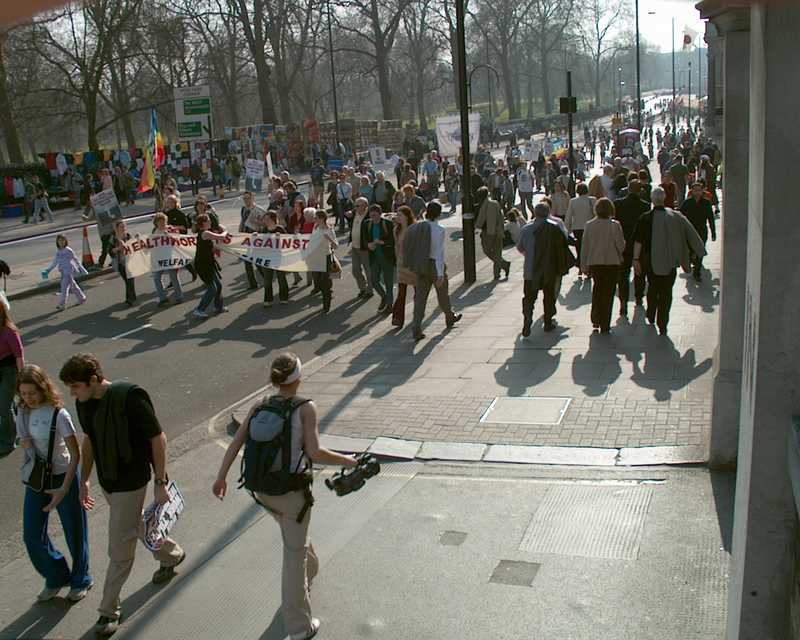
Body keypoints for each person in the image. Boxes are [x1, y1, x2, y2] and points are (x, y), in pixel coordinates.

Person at [212, 352, 357, 640]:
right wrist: (347, 461)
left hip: (262, 491)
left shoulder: (258, 405)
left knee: (296, 540)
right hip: (292, 493)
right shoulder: (305, 408)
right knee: (293, 559)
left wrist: (220, 477)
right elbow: (315, 452)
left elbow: (236, 443)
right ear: (299, 378)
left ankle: (309, 571)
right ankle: (300, 628)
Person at [59, 353, 185, 637]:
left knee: (119, 549)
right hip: (109, 481)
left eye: (75, 386)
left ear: (93, 379)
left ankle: (107, 612)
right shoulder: (84, 403)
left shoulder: (131, 397)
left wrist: (160, 481)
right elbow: (90, 440)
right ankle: (172, 555)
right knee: (135, 527)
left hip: (132, 481)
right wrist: (85, 479)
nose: (72, 393)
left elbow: (158, 437)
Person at [16, 364, 92, 603]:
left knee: (75, 532)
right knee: (31, 535)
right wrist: (24, 442)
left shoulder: (59, 414)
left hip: (63, 475)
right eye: (23, 393)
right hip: (38, 478)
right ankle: (56, 575)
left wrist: (67, 487)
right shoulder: (21, 410)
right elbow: (23, 439)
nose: (28, 398)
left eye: (32, 393)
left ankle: (81, 579)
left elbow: (75, 453)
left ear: (43, 388)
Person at [632, 187, 706, 336]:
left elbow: (638, 241)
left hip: (650, 261)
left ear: (653, 200)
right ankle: (663, 322)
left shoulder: (645, 218)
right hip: (670, 261)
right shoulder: (676, 216)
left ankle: (651, 313)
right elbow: (691, 232)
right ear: (664, 198)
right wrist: (699, 251)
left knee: (653, 287)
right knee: (666, 292)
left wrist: (635, 259)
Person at [404, 201, 461, 341]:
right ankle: (449, 316)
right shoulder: (439, 229)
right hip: (434, 265)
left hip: (421, 265)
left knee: (420, 299)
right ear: (439, 213)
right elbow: (438, 253)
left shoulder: (417, 227)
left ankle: (416, 328)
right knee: (443, 294)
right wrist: (440, 273)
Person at [516, 202, 574, 336]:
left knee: (529, 298)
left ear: (535, 213)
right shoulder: (554, 228)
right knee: (548, 296)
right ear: (548, 213)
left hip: (530, 270)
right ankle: (548, 322)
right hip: (549, 269)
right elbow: (562, 246)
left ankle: (527, 321)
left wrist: (529, 254)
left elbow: (520, 248)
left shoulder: (526, 228)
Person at [580, 198, 626, 333]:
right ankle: (605, 322)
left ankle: (595, 318)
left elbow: (585, 246)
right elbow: (621, 246)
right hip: (612, 263)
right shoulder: (615, 225)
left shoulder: (589, 225)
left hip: (595, 262)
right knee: (609, 292)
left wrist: (583, 265)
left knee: (597, 289)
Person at [613, 180, 651, 314]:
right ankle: (639, 297)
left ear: (628, 189)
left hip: (623, 243)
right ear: (640, 191)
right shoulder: (645, 206)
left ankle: (623, 302)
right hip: (639, 243)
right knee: (639, 272)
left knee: (623, 274)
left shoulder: (618, 204)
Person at [192, 213, 229, 319]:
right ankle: (199, 309)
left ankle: (219, 307)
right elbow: (221, 237)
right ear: (203, 223)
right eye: (208, 220)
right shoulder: (205, 233)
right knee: (212, 288)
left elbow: (210, 247)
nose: (210, 222)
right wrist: (225, 230)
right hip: (202, 265)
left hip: (208, 263)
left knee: (219, 286)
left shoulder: (205, 233)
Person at [679, 181, 717, 282]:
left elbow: (711, 218)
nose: (697, 192)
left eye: (699, 190)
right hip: (690, 230)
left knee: (700, 250)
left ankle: (697, 272)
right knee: (691, 250)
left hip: (702, 230)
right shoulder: (687, 203)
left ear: (702, 191)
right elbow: (680, 216)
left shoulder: (706, 203)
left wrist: (713, 232)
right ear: (692, 191)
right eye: (695, 190)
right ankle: (692, 259)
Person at [0, 304, 24, 457]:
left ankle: (9, 442)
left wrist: (22, 377)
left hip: (9, 371)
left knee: (4, 407)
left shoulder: (9, 331)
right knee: (6, 403)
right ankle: (16, 423)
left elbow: (19, 356)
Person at [363, 204, 396, 314]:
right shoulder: (367, 224)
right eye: (372, 216)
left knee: (388, 282)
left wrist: (382, 242)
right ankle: (384, 297)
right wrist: (368, 245)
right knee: (374, 280)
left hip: (387, 257)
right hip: (374, 257)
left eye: (376, 215)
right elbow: (364, 239)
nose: (374, 218)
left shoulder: (388, 224)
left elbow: (393, 240)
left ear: (380, 214)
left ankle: (390, 305)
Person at [475, 186, 511, 281]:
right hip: (498, 230)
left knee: (487, 250)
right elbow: (501, 215)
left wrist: (476, 226)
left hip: (488, 232)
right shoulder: (495, 203)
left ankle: (503, 265)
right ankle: (497, 273)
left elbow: (480, 220)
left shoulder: (483, 205)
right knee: (497, 252)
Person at [44, 234, 87, 311]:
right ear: (57, 242)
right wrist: (48, 270)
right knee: (72, 286)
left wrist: (81, 268)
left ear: (66, 241)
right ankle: (82, 298)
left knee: (64, 288)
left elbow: (75, 259)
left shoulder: (68, 250)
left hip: (69, 271)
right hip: (63, 271)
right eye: (59, 240)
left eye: (63, 240)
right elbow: (55, 262)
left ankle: (62, 304)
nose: (61, 242)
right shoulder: (58, 252)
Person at [150, 213, 183, 307]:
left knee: (174, 277)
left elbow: (177, 241)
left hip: (170, 257)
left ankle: (179, 297)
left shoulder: (170, 229)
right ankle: (163, 298)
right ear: (156, 223)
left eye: (164, 221)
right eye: (160, 222)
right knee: (156, 278)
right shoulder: (154, 231)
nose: (162, 224)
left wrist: (168, 235)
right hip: (159, 258)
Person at [565, 182, 596, 277]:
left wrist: (567, 228)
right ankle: (589, 268)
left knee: (579, 247)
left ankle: (580, 266)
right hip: (589, 227)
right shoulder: (592, 200)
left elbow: (569, 216)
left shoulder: (573, 201)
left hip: (577, 227)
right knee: (589, 248)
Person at [392, 206, 416, 328]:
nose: (398, 217)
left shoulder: (414, 228)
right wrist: (398, 261)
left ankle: (417, 316)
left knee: (418, 292)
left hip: (413, 264)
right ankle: (398, 319)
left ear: (407, 216)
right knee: (401, 293)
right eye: (397, 215)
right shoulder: (396, 229)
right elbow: (396, 247)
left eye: (400, 215)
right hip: (401, 264)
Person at [310, 209, 338, 313]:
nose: (314, 219)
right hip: (316, 257)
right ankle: (325, 294)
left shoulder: (329, 230)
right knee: (317, 281)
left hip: (325, 257)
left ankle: (326, 306)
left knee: (325, 282)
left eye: (316, 218)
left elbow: (336, 246)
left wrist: (329, 239)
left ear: (321, 219)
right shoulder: (316, 227)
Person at [260, 211, 290, 307]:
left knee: (281, 278)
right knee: (267, 279)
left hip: (278, 258)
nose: (266, 221)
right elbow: (259, 244)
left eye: (267, 219)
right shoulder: (264, 230)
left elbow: (289, 241)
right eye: (265, 219)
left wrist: (280, 238)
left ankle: (284, 297)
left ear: (273, 219)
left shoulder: (280, 229)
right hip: (267, 258)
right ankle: (268, 299)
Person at [348, 197, 373, 300]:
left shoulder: (369, 216)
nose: (355, 207)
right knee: (355, 270)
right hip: (354, 246)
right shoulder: (354, 213)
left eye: (357, 206)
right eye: (355, 205)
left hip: (364, 247)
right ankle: (362, 288)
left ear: (364, 206)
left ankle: (369, 290)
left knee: (368, 270)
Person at [108, 221, 136, 306]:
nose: (123, 228)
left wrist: (137, 238)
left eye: (124, 226)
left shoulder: (128, 236)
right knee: (128, 281)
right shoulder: (113, 238)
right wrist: (118, 248)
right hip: (120, 263)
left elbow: (134, 245)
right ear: (116, 229)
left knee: (130, 280)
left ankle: (129, 298)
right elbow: (110, 251)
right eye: (121, 227)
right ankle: (132, 296)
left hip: (130, 262)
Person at [238, 191, 261, 290]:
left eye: (247, 198)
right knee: (247, 262)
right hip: (245, 238)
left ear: (252, 198)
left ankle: (265, 278)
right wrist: (239, 232)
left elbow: (262, 223)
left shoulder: (257, 209)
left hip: (255, 237)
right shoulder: (243, 209)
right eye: (244, 198)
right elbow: (242, 221)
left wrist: (256, 223)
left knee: (257, 261)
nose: (246, 200)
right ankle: (253, 283)